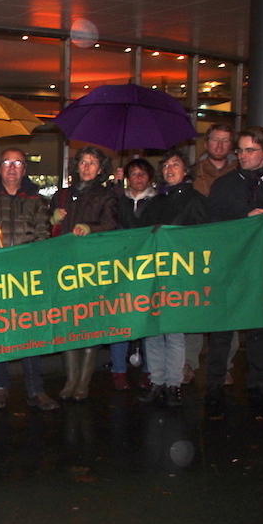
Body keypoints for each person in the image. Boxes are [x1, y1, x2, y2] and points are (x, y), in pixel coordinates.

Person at [205, 126, 263, 415]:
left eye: (250, 150)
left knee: (258, 332)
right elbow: (214, 228)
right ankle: (214, 386)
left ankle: (258, 385)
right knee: (221, 331)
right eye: (240, 150)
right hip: (229, 269)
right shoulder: (224, 185)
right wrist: (245, 219)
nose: (243, 155)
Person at [0, 148, 58, 411]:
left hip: (27, 277)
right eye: (7, 162)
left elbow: (43, 235)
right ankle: (0, 387)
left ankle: (35, 389)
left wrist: (28, 264)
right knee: (0, 331)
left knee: (30, 332)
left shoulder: (37, 200)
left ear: (25, 169)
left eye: (18, 163)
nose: (12, 167)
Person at [136, 149, 208, 406]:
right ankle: (157, 380)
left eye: (175, 164)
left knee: (175, 333)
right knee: (153, 330)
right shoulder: (155, 202)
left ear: (185, 170)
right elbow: (139, 234)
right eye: (165, 165)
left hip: (179, 276)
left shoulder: (195, 200)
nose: (169, 169)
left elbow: (200, 238)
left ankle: (174, 384)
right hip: (154, 275)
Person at [51, 145, 119, 401]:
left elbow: (112, 224)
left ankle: (83, 382)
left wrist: (90, 228)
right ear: (76, 166)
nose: (87, 166)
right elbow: (48, 228)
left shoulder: (106, 196)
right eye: (83, 162)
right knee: (69, 322)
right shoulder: (62, 195)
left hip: (93, 268)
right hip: (66, 267)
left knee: (90, 323)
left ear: (101, 169)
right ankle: (70, 380)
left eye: (92, 162)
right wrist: (53, 219)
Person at [186, 123, 238, 384]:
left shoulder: (240, 173)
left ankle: (224, 365)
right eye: (215, 140)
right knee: (195, 305)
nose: (219, 145)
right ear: (206, 143)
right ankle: (189, 362)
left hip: (229, 251)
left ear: (232, 145)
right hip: (198, 251)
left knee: (228, 309)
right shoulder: (192, 174)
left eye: (225, 140)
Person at [112, 158, 157, 391]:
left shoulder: (159, 202)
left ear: (150, 177)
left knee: (147, 318)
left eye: (143, 174)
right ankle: (118, 370)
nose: (138, 178)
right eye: (134, 174)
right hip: (123, 267)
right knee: (121, 318)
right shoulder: (119, 201)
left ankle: (149, 369)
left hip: (149, 268)